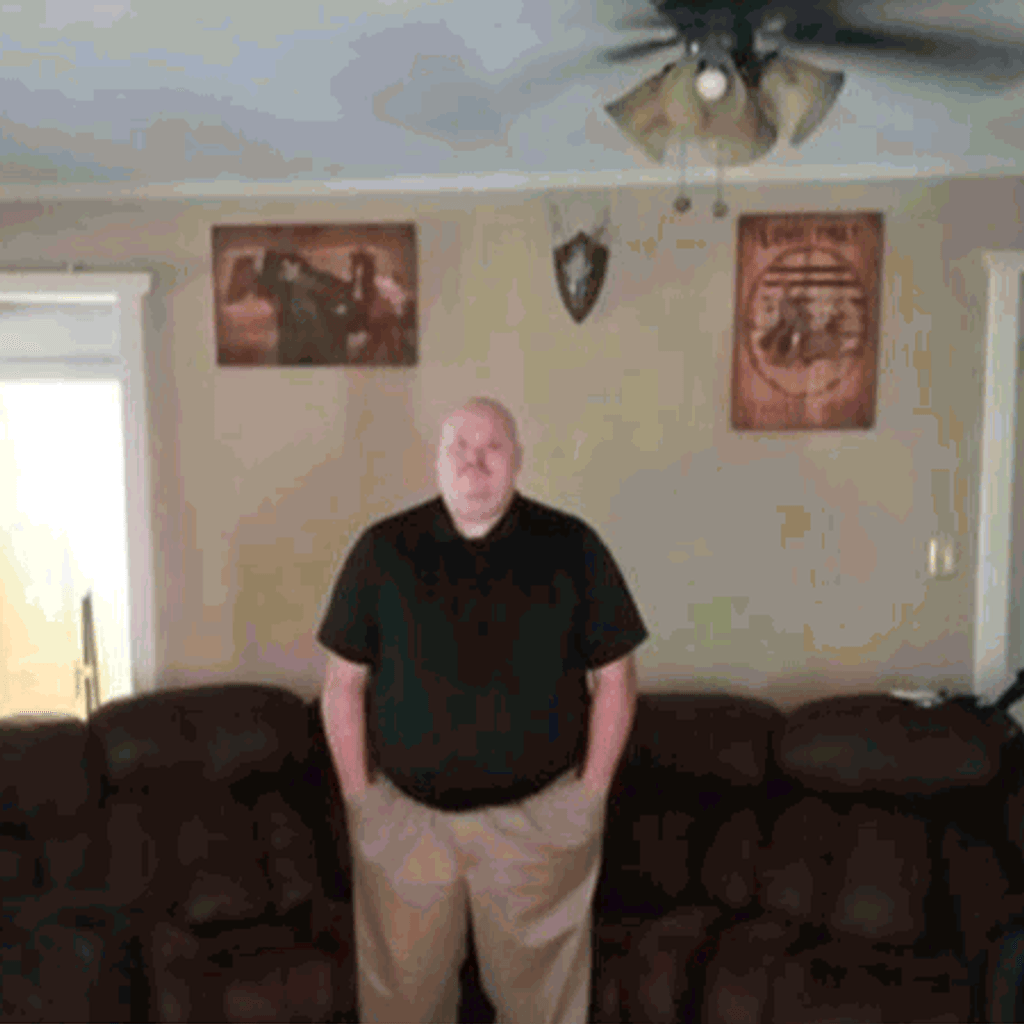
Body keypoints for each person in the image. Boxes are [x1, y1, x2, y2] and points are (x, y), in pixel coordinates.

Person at [317, 397, 648, 1024]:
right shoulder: (383, 551)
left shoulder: (572, 546)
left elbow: (616, 678)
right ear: (437, 462)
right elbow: (342, 684)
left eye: (492, 446)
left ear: (518, 458)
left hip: (538, 825)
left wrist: (589, 797)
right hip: (407, 827)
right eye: (459, 448)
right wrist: (363, 800)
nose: (475, 461)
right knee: (403, 1007)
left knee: (543, 1010)